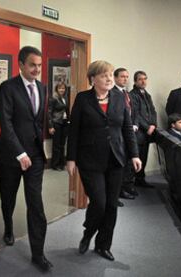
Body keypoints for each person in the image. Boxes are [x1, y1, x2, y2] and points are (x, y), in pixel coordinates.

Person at [67, 60, 142, 261]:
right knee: (99, 203)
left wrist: (134, 154)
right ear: (93, 79)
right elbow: (73, 130)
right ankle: (88, 231)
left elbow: (127, 128)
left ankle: (103, 245)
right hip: (90, 160)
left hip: (116, 159)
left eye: (110, 74)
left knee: (111, 206)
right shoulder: (83, 99)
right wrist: (71, 158)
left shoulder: (119, 98)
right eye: (104, 75)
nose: (109, 78)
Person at [0, 46, 52, 272]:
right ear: (21, 64)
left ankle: (38, 253)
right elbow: (6, 122)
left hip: (36, 156)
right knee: (8, 197)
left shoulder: (43, 87)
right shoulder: (7, 87)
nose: (37, 69)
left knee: (35, 203)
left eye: (39, 65)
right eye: (32, 65)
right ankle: (8, 227)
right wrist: (20, 152)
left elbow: (38, 120)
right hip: (11, 155)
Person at [112, 67, 138, 204]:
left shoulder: (127, 93)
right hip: (118, 136)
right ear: (115, 78)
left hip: (129, 134)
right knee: (117, 166)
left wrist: (135, 124)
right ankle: (114, 195)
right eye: (122, 76)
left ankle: (122, 189)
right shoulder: (112, 93)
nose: (125, 79)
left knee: (126, 165)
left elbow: (134, 112)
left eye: (127, 77)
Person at [130, 70, 157, 188]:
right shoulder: (132, 94)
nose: (143, 81)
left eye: (145, 78)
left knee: (144, 157)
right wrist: (147, 127)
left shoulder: (147, 94)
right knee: (137, 158)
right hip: (139, 133)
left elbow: (153, 111)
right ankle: (132, 183)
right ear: (135, 81)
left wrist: (154, 124)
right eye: (140, 79)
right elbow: (136, 115)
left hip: (148, 133)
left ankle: (141, 180)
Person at [48, 82, 69, 171]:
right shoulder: (53, 98)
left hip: (64, 123)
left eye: (63, 88)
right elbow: (49, 112)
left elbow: (67, 110)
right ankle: (55, 164)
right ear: (57, 89)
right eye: (60, 88)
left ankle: (62, 163)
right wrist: (50, 126)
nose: (62, 90)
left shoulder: (66, 98)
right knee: (56, 145)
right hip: (56, 123)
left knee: (62, 144)